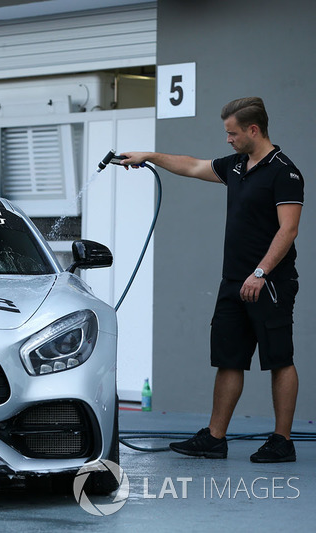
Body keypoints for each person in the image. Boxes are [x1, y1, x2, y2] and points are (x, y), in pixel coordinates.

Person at [119, 96, 304, 463]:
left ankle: (282, 441)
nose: (228, 140)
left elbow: (289, 229)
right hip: (233, 282)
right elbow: (192, 166)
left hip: (268, 282)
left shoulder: (284, 171)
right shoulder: (236, 166)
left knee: (279, 359)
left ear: (254, 129)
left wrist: (260, 272)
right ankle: (215, 437)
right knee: (229, 359)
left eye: (232, 133)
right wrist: (150, 156)